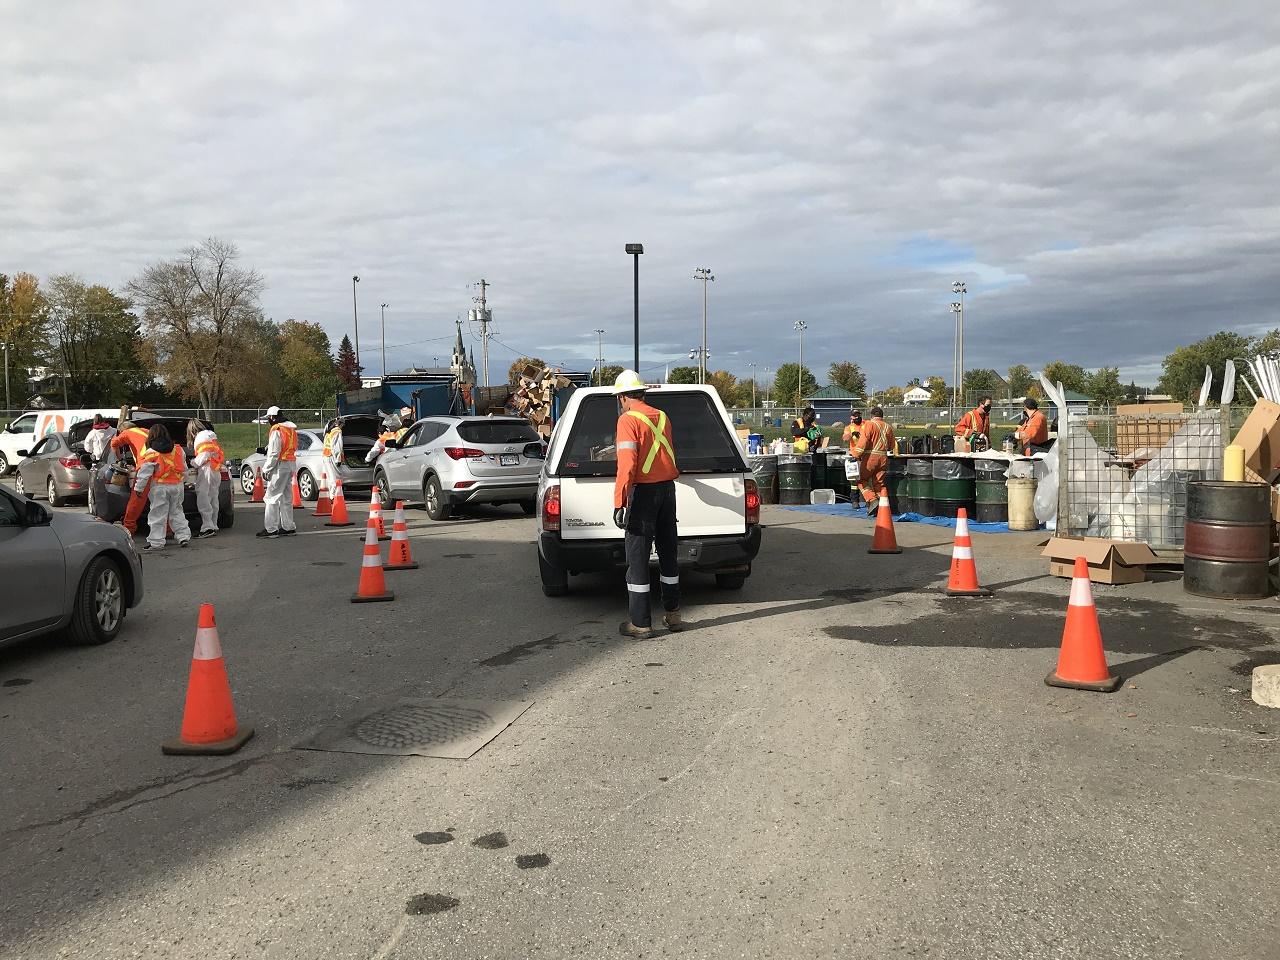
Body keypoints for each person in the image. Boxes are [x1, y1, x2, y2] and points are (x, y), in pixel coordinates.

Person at [612, 369, 682, 639]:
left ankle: (640, 623)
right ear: (641, 393)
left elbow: (627, 464)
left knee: (638, 556)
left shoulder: (627, 420)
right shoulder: (662, 416)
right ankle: (673, 614)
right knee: (668, 552)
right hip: (667, 490)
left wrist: (620, 500)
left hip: (643, 494)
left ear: (622, 398)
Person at [133, 423, 191, 550]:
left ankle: (156, 542)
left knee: (158, 514)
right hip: (177, 486)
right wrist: (184, 482)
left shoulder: (151, 452)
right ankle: (183, 537)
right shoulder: (178, 449)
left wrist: (139, 488)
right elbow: (184, 469)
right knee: (177, 512)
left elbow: (145, 473)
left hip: (159, 487)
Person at [257, 405, 298, 538]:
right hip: (290, 464)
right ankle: (288, 526)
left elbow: (274, 452)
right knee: (286, 497)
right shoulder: (290, 428)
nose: (269, 420)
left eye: (269, 417)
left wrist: (266, 469)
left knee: (271, 497)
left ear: (273, 417)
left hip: (280, 466)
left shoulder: (277, 429)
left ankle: (271, 529)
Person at [852, 406, 896, 516]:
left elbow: (863, 441)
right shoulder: (888, 427)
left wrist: (855, 454)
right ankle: (882, 507)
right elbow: (891, 446)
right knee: (879, 483)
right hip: (883, 458)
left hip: (870, 458)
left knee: (861, 480)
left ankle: (872, 500)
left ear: (872, 416)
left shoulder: (869, 424)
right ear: (882, 416)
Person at [190, 426, 225, 538]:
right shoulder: (211, 436)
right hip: (215, 469)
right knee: (213, 497)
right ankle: (213, 525)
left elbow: (203, 456)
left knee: (203, 497)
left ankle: (207, 527)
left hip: (206, 470)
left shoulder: (201, 437)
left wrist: (193, 463)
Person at [83, 415, 116, 514]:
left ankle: (94, 506)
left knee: (94, 485)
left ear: (94, 422)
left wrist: (93, 451)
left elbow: (87, 447)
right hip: (113, 460)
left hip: (98, 462)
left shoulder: (92, 433)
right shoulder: (113, 430)